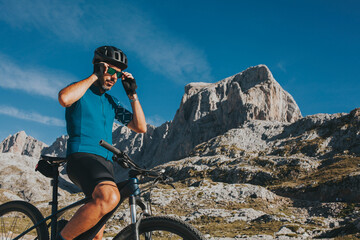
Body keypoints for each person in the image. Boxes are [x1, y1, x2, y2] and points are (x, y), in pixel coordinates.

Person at [58, 46, 147, 240]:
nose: (114, 77)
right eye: (110, 70)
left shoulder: (111, 102)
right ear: (98, 66)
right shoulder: (81, 91)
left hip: (105, 164)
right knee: (109, 197)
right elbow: (64, 98)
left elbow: (140, 127)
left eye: (119, 73)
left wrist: (132, 95)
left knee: (96, 236)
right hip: (82, 157)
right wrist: (93, 77)